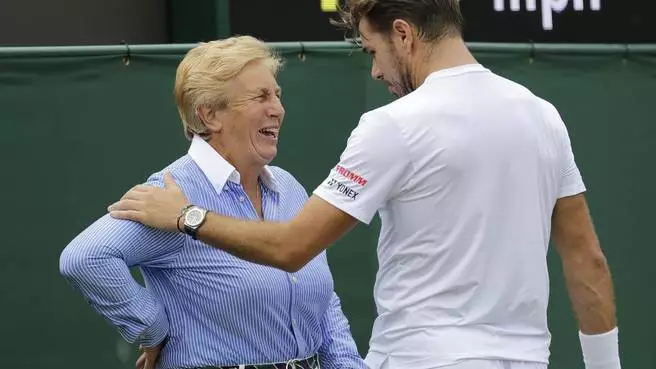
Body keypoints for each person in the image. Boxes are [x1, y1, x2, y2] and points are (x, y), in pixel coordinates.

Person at [106, 1, 622, 369]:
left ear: (404, 34)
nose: (375, 72)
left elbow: (291, 247)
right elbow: (588, 260)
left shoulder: (393, 125)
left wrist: (185, 215)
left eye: (373, 49)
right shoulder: (543, 117)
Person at [59, 35, 366, 369]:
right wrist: (155, 331)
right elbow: (85, 258)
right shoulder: (171, 193)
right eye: (260, 96)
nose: (278, 109)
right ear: (209, 115)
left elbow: (325, 303)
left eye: (277, 95)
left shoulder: (288, 187)